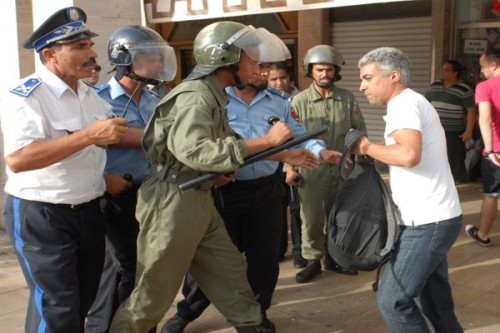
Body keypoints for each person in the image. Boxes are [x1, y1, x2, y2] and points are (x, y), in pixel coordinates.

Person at [109, 21, 320, 333]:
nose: (259, 67)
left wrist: (284, 154)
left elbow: (223, 144)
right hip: (172, 202)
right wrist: (267, 141)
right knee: (153, 292)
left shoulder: (214, 94)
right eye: (251, 60)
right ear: (226, 59)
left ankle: (251, 324)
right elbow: (195, 151)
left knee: (229, 272)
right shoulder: (196, 96)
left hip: (197, 197)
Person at [161, 61, 342, 333]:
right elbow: (198, 145)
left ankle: (256, 315)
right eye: (257, 67)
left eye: (267, 68)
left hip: (267, 190)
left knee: (264, 260)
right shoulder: (213, 99)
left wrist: (319, 151)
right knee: (211, 260)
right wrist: (212, 171)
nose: (264, 73)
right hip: (223, 191)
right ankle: (188, 312)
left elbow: (300, 135)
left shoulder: (280, 101)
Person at [0, 7, 128, 333]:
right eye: (80, 47)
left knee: (81, 301)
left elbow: (116, 133)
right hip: (43, 215)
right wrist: (88, 136)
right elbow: (18, 159)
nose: (92, 53)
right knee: (57, 307)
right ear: (50, 55)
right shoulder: (27, 96)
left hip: (87, 210)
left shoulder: (87, 93)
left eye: (89, 45)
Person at [354, 47, 463, 332]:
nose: (362, 85)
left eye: (367, 77)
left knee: (393, 301)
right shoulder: (411, 102)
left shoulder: (403, 103)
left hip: (427, 223)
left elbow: (408, 155)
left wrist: (366, 147)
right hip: (435, 217)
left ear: (394, 76)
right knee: (436, 304)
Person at [85, 25, 177, 333]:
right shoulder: (97, 100)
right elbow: (90, 146)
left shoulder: (153, 100)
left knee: (140, 270)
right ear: (126, 61)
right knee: (124, 271)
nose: (157, 64)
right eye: (149, 58)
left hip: (151, 196)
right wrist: (103, 178)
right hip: (116, 197)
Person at [289, 45, 366, 283]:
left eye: (329, 69)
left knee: (340, 217)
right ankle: (313, 261)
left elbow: (359, 129)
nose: (324, 74)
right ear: (310, 71)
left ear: (336, 71)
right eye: (319, 69)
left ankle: (335, 258)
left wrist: (359, 157)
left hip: (343, 169)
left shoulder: (347, 98)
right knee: (311, 218)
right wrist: (289, 168)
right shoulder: (298, 101)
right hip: (311, 169)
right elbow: (289, 138)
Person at [267, 61, 307, 268]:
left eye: (282, 77)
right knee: (275, 210)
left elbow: (301, 133)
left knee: (295, 208)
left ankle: (300, 252)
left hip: (294, 161)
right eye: (273, 79)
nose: (279, 83)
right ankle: (279, 250)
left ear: (289, 76)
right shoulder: (265, 101)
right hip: (271, 163)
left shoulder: (298, 99)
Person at [465, 48, 500, 247]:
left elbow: (484, 119)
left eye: (482, 66)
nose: (481, 71)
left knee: (491, 194)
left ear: (493, 65)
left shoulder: (485, 87)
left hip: (496, 149)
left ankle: (483, 234)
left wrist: (490, 150)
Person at [425, 60, 476, 183]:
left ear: (455, 73)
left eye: (447, 70)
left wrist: (468, 131)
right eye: (443, 69)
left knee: (454, 156)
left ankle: (457, 179)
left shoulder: (464, 89)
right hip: (434, 128)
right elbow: (425, 103)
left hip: (453, 129)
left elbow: (471, 110)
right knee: (434, 154)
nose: (443, 72)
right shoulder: (435, 85)